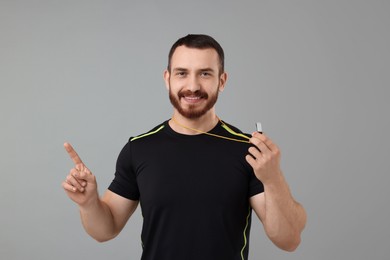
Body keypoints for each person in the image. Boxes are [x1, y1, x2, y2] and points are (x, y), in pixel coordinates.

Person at [62, 34, 306, 260]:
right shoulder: (139, 149)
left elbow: (288, 239)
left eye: (205, 74)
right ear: (167, 79)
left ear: (222, 81)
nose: (193, 86)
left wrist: (273, 178)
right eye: (182, 73)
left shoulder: (249, 151)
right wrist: (89, 203)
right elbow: (106, 228)